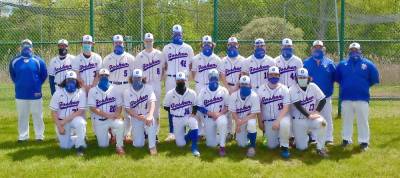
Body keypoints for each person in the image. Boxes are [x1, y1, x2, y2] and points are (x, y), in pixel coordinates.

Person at [336, 42, 379, 151]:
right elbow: (338, 78)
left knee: (363, 120)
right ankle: (346, 139)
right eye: (352, 50)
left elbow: (374, 79)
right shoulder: (342, 64)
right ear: (349, 51)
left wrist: (363, 86)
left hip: (362, 97)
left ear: (360, 51)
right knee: (346, 120)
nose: (354, 52)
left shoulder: (368, 64)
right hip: (346, 98)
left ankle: (364, 142)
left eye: (356, 50)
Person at [9, 39, 48, 142]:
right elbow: (13, 76)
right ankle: (23, 136)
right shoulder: (14, 61)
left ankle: (39, 136)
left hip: (35, 94)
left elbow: (43, 76)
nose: (26, 47)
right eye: (24, 45)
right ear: (20, 47)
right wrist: (20, 84)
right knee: (22, 116)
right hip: (21, 94)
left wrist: (36, 85)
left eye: (28, 45)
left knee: (38, 115)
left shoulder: (39, 61)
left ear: (32, 47)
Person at [162, 24, 195, 141]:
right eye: (175, 33)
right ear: (172, 34)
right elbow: (163, 65)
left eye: (179, 33)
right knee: (172, 104)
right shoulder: (166, 48)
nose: (177, 36)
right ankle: (172, 132)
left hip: (184, 78)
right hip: (171, 78)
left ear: (182, 34)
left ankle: (184, 130)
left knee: (185, 103)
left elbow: (192, 65)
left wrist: (189, 77)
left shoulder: (188, 48)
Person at [102, 34, 135, 143]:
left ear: (123, 43)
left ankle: (127, 134)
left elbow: (134, 75)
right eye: (116, 43)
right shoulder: (107, 59)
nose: (118, 44)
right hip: (113, 86)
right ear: (113, 44)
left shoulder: (130, 58)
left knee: (127, 111)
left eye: (120, 42)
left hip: (126, 85)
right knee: (113, 111)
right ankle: (114, 135)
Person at [289, 68, 328, 157]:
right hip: (298, 120)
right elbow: (297, 104)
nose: (302, 79)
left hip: (312, 118)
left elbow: (323, 100)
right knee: (301, 148)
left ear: (308, 78)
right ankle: (307, 137)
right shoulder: (292, 89)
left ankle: (320, 148)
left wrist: (317, 112)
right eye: (300, 77)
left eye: (304, 77)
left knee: (323, 123)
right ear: (296, 78)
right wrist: (308, 115)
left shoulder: (313, 86)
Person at [303, 40, 336, 145]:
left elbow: (335, 78)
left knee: (326, 117)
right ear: (312, 49)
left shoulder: (329, 63)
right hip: (311, 97)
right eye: (315, 47)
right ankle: (314, 138)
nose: (318, 49)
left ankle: (328, 138)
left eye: (320, 47)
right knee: (313, 117)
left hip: (326, 96)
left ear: (324, 49)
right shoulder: (306, 63)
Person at [134, 33, 165, 140]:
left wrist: (160, 78)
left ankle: (155, 132)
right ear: (144, 42)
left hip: (156, 84)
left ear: (153, 41)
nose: (148, 42)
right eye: (147, 41)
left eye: (150, 40)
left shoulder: (160, 54)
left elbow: (164, 69)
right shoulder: (139, 56)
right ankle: (145, 131)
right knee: (143, 108)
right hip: (144, 85)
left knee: (156, 110)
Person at [191, 35, 223, 137]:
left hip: (212, 87)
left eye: (209, 43)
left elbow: (220, 74)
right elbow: (193, 73)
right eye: (204, 44)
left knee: (212, 107)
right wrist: (197, 81)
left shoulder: (217, 59)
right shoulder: (196, 58)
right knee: (199, 109)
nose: (207, 46)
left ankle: (212, 130)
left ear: (212, 45)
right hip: (200, 85)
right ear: (202, 45)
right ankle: (200, 132)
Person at [88, 68, 125, 155]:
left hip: (112, 118)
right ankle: (110, 135)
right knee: (103, 146)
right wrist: (108, 115)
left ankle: (119, 146)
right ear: (98, 77)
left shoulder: (114, 89)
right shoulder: (92, 90)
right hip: (100, 121)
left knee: (120, 124)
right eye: (102, 76)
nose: (104, 77)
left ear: (109, 76)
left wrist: (117, 114)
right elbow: (93, 108)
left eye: (106, 75)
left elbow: (119, 105)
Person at [49, 71, 87, 156]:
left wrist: (63, 122)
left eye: (73, 80)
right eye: (69, 80)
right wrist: (59, 126)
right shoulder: (58, 93)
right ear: (65, 81)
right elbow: (53, 112)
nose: (71, 82)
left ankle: (80, 147)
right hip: (61, 121)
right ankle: (78, 138)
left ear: (76, 81)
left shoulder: (81, 93)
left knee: (81, 123)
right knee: (65, 147)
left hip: (74, 119)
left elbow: (80, 111)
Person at [257, 66, 291, 158]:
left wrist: (278, 121)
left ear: (279, 76)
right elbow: (258, 107)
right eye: (271, 75)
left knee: (285, 124)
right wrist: (260, 122)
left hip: (282, 118)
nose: (273, 77)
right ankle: (275, 136)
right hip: (268, 121)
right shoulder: (261, 89)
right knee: (271, 146)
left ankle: (284, 146)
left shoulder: (284, 88)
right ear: (267, 75)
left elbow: (286, 107)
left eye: (276, 75)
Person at [163, 72, 200, 157]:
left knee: (194, 122)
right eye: (178, 80)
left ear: (185, 80)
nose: (180, 82)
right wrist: (174, 111)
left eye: (182, 80)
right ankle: (190, 135)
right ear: (176, 81)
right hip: (176, 119)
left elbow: (195, 105)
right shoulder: (170, 93)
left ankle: (194, 147)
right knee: (181, 144)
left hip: (187, 116)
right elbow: (165, 106)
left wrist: (193, 114)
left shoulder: (191, 92)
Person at [124, 69, 158, 155]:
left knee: (152, 122)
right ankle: (143, 137)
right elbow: (128, 109)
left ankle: (152, 146)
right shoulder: (127, 92)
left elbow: (152, 102)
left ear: (142, 78)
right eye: (135, 78)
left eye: (139, 78)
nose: (137, 80)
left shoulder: (148, 88)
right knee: (138, 145)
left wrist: (150, 115)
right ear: (131, 78)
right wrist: (138, 117)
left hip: (147, 115)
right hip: (136, 117)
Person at [196, 69, 229, 156]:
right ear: (209, 78)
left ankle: (222, 146)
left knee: (223, 122)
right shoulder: (203, 90)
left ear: (218, 78)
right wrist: (211, 113)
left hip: (220, 115)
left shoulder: (223, 90)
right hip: (208, 117)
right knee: (211, 144)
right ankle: (220, 136)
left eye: (215, 78)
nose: (213, 79)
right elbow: (199, 106)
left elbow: (227, 106)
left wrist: (219, 114)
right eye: (211, 78)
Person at [220, 37, 247, 140]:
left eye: (234, 44)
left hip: (239, 87)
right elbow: (222, 75)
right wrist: (228, 88)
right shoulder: (223, 60)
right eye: (230, 44)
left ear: (238, 45)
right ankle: (228, 132)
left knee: (239, 110)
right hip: (227, 87)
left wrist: (236, 87)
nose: (232, 46)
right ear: (227, 45)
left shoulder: (242, 60)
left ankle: (238, 132)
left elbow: (243, 74)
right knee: (227, 111)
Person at [229, 75, 260, 157]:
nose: (244, 86)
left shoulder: (254, 96)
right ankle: (246, 136)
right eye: (242, 84)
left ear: (250, 85)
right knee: (241, 145)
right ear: (239, 85)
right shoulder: (233, 95)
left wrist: (239, 123)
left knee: (252, 124)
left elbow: (254, 114)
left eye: (246, 84)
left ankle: (252, 146)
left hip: (248, 119)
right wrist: (238, 122)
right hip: (239, 120)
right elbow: (233, 112)